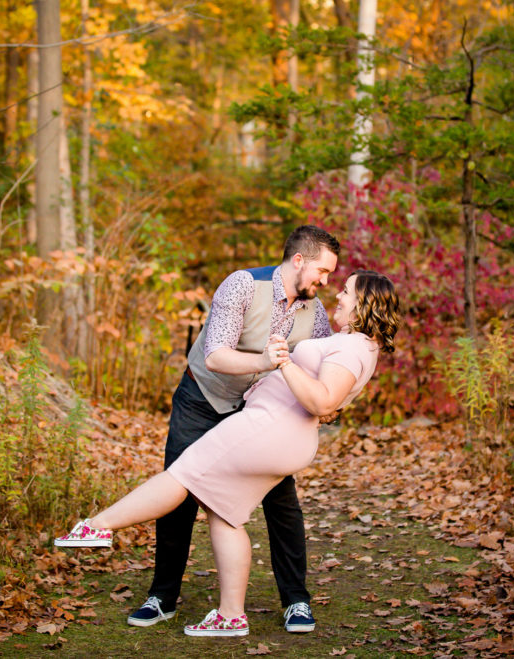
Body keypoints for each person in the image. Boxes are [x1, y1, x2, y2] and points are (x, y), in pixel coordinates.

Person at [55, 270, 401, 638]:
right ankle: (231, 615)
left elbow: (323, 399)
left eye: (346, 291)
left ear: (364, 303)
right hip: (280, 433)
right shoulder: (357, 344)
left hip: (267, 428)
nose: (339, 296)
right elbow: (328, 395)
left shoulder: (351, 345)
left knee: (182, 475)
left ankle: (97, 527)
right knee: (224, 511)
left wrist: (282, 363)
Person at [112, 226, 342, 633]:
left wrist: (328, 402)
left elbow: (325, 368)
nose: (326, 281)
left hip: (262, 413)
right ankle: (162, 597)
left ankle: (296, 602)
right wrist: (270, 363)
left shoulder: (316, 312)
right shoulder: (242, 285)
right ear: (299, 261)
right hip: (203, 399)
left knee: (282, 501)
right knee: (178, 489)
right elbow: (216, 356)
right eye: (323, 271)